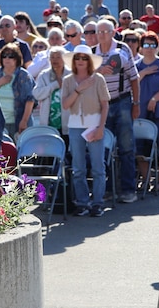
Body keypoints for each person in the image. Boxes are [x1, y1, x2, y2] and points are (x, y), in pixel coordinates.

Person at [93, 19, 140, 203]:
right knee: (104, 149)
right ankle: (108, 189)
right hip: (100, 105)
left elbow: (134, 79)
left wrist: (136, 103)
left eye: (106, 31)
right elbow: (82, 77)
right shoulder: (91, 53)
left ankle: (128, 189)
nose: (102, 35)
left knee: (126, 146)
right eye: (99, 32)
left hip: (122, 102)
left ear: (113, 32)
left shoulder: (123, 49)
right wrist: (98, 71)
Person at [61, 45, 110, 217]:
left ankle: (97, 203)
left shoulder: (98, 79)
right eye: (77, 58)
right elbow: (65, 105)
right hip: (75, 126)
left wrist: (101, 127)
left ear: (89, 61)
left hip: (94, 125)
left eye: (84, 58)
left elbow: (105, 105)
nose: (80, 61)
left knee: (98, 167)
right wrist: (78, 89)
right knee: (78, 168)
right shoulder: (68, 80)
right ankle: (82, 202)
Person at [135, 31, 159, 193]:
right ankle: (145, 179)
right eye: (146, 45)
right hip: (141, 111)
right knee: (141, 146)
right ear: (141, 47)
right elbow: (132, 84)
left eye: (152, 45)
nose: (149, 48)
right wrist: (143, 73)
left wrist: (154, 99)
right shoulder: (137, 65)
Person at [0, 42, 36, 140]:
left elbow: (30, 100)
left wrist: (24, 121)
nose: (7, 59)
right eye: (4, 56)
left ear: (17, 58)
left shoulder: (24, 76)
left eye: (11, 56)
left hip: (18, 122)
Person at [32, 46, 70, 139]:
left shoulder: (70, 74)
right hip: (48, 122)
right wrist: (54, 85)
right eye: (52, 57)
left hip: (67, 122)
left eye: (58, 57)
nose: (55, 60)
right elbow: (36, 94)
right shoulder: (44, 75)